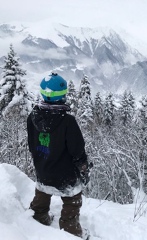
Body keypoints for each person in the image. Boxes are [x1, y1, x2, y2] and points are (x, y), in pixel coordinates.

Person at [27, 72, 89, 238]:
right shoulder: (67, 121)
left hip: (43, 169)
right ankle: (70, 231)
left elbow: (32, 144)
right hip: (66, 176)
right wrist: (83, 167)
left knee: (41, 197)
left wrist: (41, 160)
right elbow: (77, 150)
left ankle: (38, 219)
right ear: (62, 95)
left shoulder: (32, 116)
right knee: (72, 202)